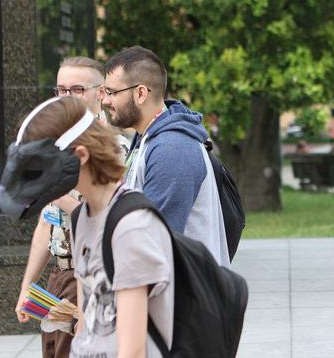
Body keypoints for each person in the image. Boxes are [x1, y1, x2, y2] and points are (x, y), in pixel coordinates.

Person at [17, 96, 174, 357]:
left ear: (79, 157)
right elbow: (86, 327)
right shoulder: (83, 217)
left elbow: (133, 350)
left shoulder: (130, 227)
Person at [102, 46, 230, 267]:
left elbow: (155, 242)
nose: (105, 101)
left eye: (112, 92)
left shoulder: (172, 148)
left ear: (140, 93)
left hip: (184, 296)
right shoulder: (147, 139)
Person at [14, 56, 107, 358]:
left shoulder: (111, 147)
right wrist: (27, 285)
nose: (67, 98)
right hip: (59, 275)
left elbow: (103, 214)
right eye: (61, 90)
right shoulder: (54, 146)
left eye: (77, 89)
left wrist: (51, 188)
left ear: (101, 93)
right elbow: (46, 222)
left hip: (91, 275)